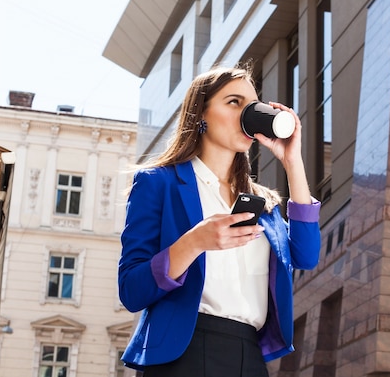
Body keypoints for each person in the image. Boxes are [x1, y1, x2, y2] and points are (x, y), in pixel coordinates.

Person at [118, 64, 321, 377]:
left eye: (252, 106)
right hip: (183, 353)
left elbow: (306, 257)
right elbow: (132, 290)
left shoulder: (263, 205)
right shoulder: (159, 183)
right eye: (234, 102)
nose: (246, 114)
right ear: (201, 113)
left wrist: (292, 162)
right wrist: (195, 241)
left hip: (250, 355)